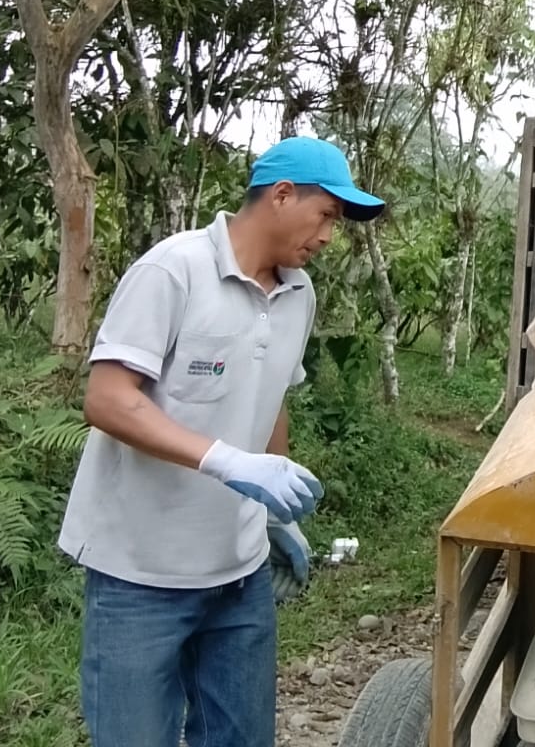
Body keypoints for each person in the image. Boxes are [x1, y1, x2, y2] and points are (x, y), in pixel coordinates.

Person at [59, 137, 385, 747]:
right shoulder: (173, 271)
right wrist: (226, 460)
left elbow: (271, 393)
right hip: (140, 572)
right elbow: (108, 399)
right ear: (282, 195)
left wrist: (273, 507)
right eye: (325, 215)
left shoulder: (299, 295)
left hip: (239, 575)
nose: (327, 236)